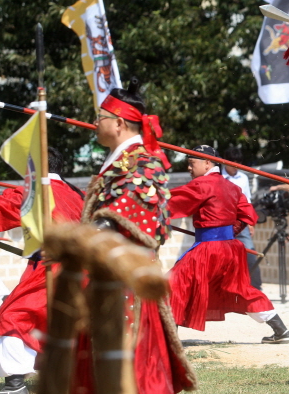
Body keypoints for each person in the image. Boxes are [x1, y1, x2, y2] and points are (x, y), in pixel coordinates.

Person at [82, 78, 197, 393]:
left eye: (100, 117)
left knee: (130, 373)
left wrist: (83, 238)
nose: (95, 123)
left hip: (126, 283)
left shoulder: (142, 160)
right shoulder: (121, 159)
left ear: (118, 123)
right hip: (109, 277)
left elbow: (131, 211)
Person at [0, 147, 85, 394]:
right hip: (85, 270)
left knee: (13, 317)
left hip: (53, 270)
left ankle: (16, 385)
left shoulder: (37, 192)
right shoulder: (78, 194)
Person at [168, 145, 289, 344]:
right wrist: (227, 232)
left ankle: (168, 338)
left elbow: (169, 202)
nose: (189, 168)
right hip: (230, 248)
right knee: (240, 289)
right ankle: (281, 330)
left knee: (172, 283)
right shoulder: (232, 187)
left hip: (208, 249)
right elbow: (248, 214)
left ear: (207, 163)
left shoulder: (202, 185)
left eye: (192, 163)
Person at [221, 146, 262, 290]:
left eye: (239, 162)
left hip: (241, 221)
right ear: (225, 162)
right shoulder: (217, 177)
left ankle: (255, 287)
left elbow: (247, 201)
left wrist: (250, 223)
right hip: (222, 221)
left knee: (249, 252)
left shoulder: (243, 177)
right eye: (234, 162)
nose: (236, 166)